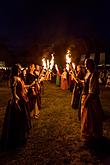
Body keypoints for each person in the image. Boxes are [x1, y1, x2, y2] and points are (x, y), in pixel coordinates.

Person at [1, 64, 31, 149]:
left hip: (21, 100)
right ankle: (17, 138)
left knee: (22, 119)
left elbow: (23, 87)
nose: (20, 71)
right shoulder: (14, 79)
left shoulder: (18, 78)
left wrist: (31, 85)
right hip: (18, 102)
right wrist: (16, 103)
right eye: (19, 69)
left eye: (20, 69)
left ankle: (21, 136)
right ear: (15, 70)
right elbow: (14, 94)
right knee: (18, 120)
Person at [79, 59, 103, 143]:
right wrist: (80, 81)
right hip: (86, 97)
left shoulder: (93, 74)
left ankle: (91, 135)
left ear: (91, 65)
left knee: (90, 118)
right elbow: (86, 83)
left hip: (91, 100)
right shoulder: (88, 73)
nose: (85, 65)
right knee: (87, 118)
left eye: (86, 64)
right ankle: (89, 135)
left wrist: (86, 101)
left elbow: (92, 91)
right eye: (85, 64)